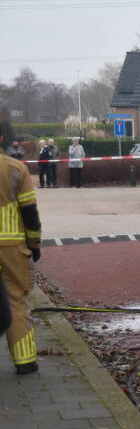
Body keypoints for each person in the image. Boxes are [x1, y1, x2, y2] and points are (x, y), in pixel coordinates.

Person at [0, 130, 42, 374]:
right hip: (11, 246)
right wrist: (34, 243)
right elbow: (29, 212)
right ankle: (25, 361)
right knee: (15, 299)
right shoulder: (15, 168)